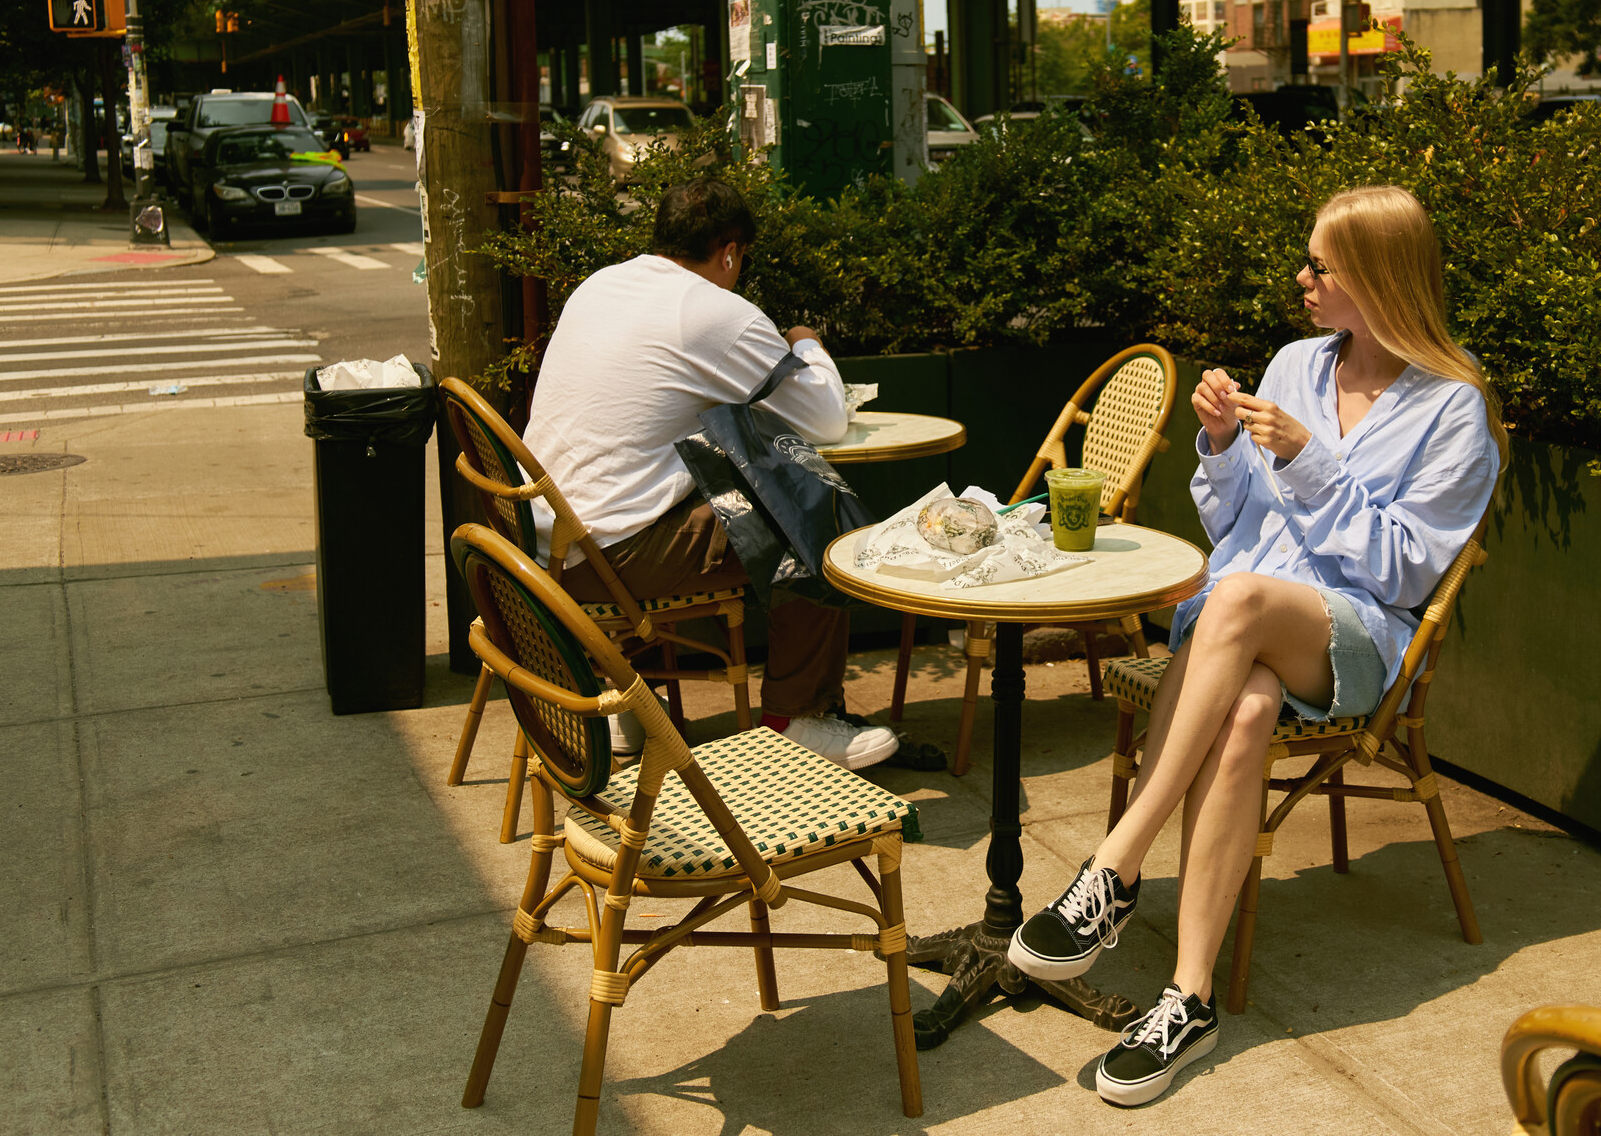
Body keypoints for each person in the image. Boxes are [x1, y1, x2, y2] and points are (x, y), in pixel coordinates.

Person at [1006, 184, 1505, 1106]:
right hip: (1253, 633)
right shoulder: (1295, 365)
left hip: (1358, 637)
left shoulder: (1454, 407)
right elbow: (1240, 524)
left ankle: (1116, 862)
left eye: (1322, 264)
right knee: (1244, 712)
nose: (1303, 277)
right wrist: (1225, 442)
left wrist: (1311, 461)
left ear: (1379, 277)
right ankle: (1189, 997)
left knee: (1230, 599)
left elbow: (1402, 571)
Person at [523, 178, 900, 770]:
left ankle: (625, 701)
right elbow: (825, 418)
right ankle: (797, 717)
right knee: (813, 526)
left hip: (539, 549)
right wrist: (805, 343)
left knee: (713, 490)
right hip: (607, 564)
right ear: (729, 252)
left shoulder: (600, 284)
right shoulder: (714, 313)